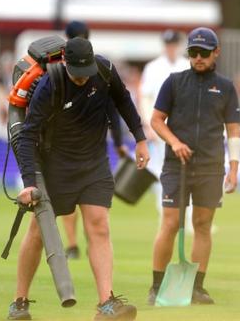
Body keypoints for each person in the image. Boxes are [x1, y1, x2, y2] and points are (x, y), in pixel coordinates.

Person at [9, 37, 149, 320]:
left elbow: (124, 101)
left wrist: (140, 138)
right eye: (77, 74)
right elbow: (27, 135)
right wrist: (29, 183)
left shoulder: (104, 70)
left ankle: (106, 304)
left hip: (95, 163)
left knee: (99, 225)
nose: (83, 79)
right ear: (66, 63)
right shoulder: (51, 85)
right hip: (57, 167)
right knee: (38, 232)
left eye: (87, 74)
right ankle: (19, 302)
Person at [148, 27, 240, 305]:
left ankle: (197, 288)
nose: (198, 58)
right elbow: (156, 120)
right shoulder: (174, 82)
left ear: (216, 53)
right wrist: (174, 142)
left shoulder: (226, 87)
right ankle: (156, 286)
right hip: (177, 166)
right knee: (170, 222)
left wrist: (233, 168)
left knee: (202, 224)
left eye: (204, 53)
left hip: (211, 167)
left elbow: (234, 131)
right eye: (193, 52)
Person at [61, 20, 129, 260]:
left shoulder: (98, 68)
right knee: (77, 203)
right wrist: (119, 141)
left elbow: (115, 104)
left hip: (90, 147)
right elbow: (114, 109)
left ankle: (74, 244)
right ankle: (76, 243)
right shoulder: (59, 70)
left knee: (84, 204)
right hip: (72, 146)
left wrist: (120, 141)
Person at [140, 30, 190, 220]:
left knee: (188, 170)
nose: (171, 48)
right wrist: (147, 125)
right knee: (163, 169)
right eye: (168, 44)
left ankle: (188, 217)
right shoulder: (153, 67)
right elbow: (145, 97)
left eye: (173, 44)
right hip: (160, 125)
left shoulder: (186, 65)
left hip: (183, 125)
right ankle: (166, 214)